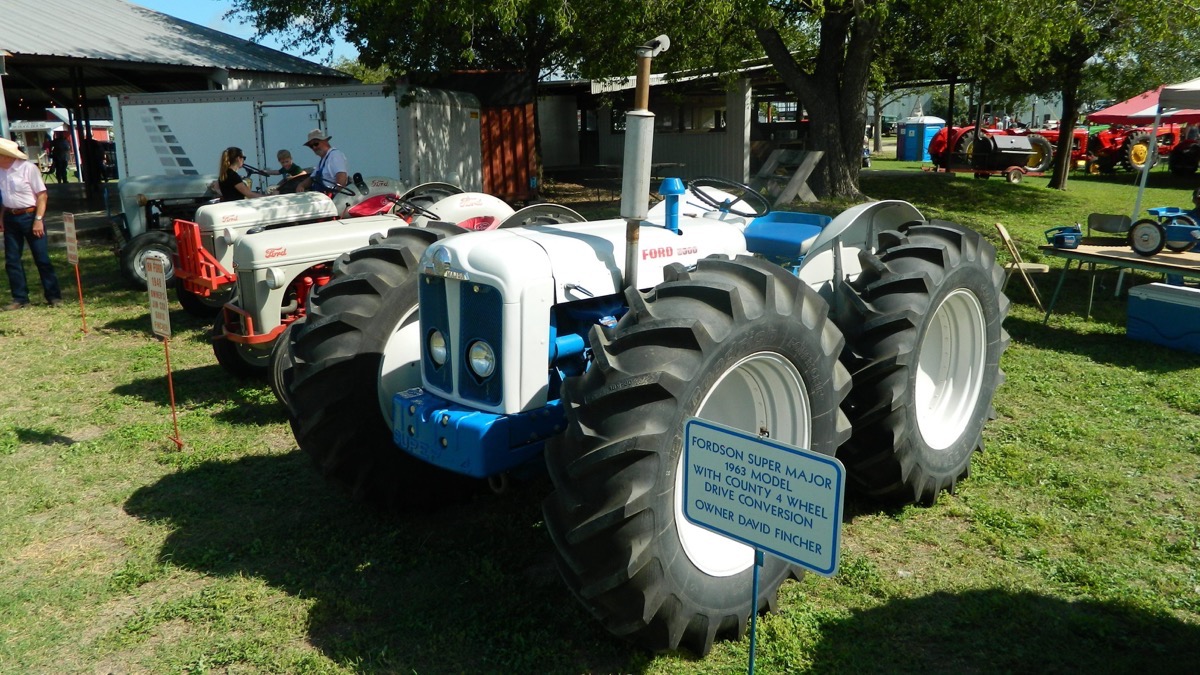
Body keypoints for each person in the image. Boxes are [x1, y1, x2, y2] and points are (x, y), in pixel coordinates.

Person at [0, 138, 62, 310]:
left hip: (30, 215)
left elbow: (42, 196)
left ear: (5, 156)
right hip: (11, 217)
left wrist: (38, 220)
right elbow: (5, 198)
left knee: (41, 258)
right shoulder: (1, 171)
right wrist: (2, 217)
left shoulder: (28, 169)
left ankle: (53, 295)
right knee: (12, 260)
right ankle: (20, 298)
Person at [296, 129, 349, 194]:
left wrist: (336, 197)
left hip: (330, 199)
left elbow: (342, 177)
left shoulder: (335, 155)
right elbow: (312, 178)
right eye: (311, 146)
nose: (314, 147)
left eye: (316, 143)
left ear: (325, 141)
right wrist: (301, 185)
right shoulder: (323, 160)